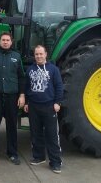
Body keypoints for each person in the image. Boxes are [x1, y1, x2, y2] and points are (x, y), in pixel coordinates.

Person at [0, 32, 25, 165]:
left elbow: (21, 77)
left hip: (12, 97)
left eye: (8, 40)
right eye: (3, 40)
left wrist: (22, 95)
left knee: (11, 126)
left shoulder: (16, 57)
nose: (5, 42)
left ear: (11, 42)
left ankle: (12, 153)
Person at [24, 45, 64, 174]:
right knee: (36, 134)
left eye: (41, 54)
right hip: (34, 106)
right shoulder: (30, 69)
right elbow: (27, 88)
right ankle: (39, 157)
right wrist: (27, 102)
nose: (39, 56)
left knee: (52, 136)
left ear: (46, 54)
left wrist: (57, 102)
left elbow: (59, 87)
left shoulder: (53, 70)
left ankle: (56, 162)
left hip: (49, 106)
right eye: (36, 54)